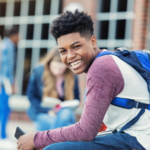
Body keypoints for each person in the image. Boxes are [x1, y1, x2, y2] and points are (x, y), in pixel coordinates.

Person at [17, 10, 149, 150]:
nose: (70, 56)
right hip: (130, 134)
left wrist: (36, 139)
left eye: (76, 47)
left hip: (140, 139)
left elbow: (85, 132)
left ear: (93, 41)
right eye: (63, 51)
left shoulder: (102, 67)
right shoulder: (106, 60)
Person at [26, 47, 80, 131]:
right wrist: (48, 110)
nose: (57, 71)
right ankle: (58, 139)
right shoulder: (39, 71)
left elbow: (76, 98)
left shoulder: (72, 76)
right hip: (43, 112)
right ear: (49, 62)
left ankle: (48, 140)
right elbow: (31, 96)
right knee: (66, 127)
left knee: (65, 114)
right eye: (55, 67)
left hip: (64, 112)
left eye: (61, 69)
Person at [0, 27, 19, 140]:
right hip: (4, 83)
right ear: (14, 35)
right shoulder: (8, 46)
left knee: (4, 108)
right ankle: (2, 134)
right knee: (5, 108)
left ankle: (3, 134)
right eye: (18, 35)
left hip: (4, 82)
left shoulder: (4, 45)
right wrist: (10, 83)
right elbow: (6, 68)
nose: (19, 38)